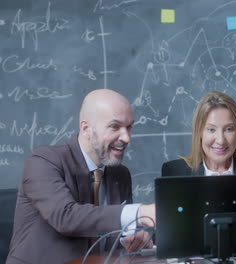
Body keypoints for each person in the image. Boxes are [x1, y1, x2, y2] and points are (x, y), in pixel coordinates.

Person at [7, 89, 156, 264]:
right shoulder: (43, 161)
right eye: (115, 126)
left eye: (129, 127)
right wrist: (140, 212)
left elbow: (110, 228)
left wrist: (131, 238)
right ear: (86, 128)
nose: (126, 137)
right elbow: (66, 217)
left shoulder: (120, 174)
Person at [161, 91, 236, 176]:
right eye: (211, 129)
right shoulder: (174, 172)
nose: (220, 140)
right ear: (199, 133)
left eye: (229, 129)